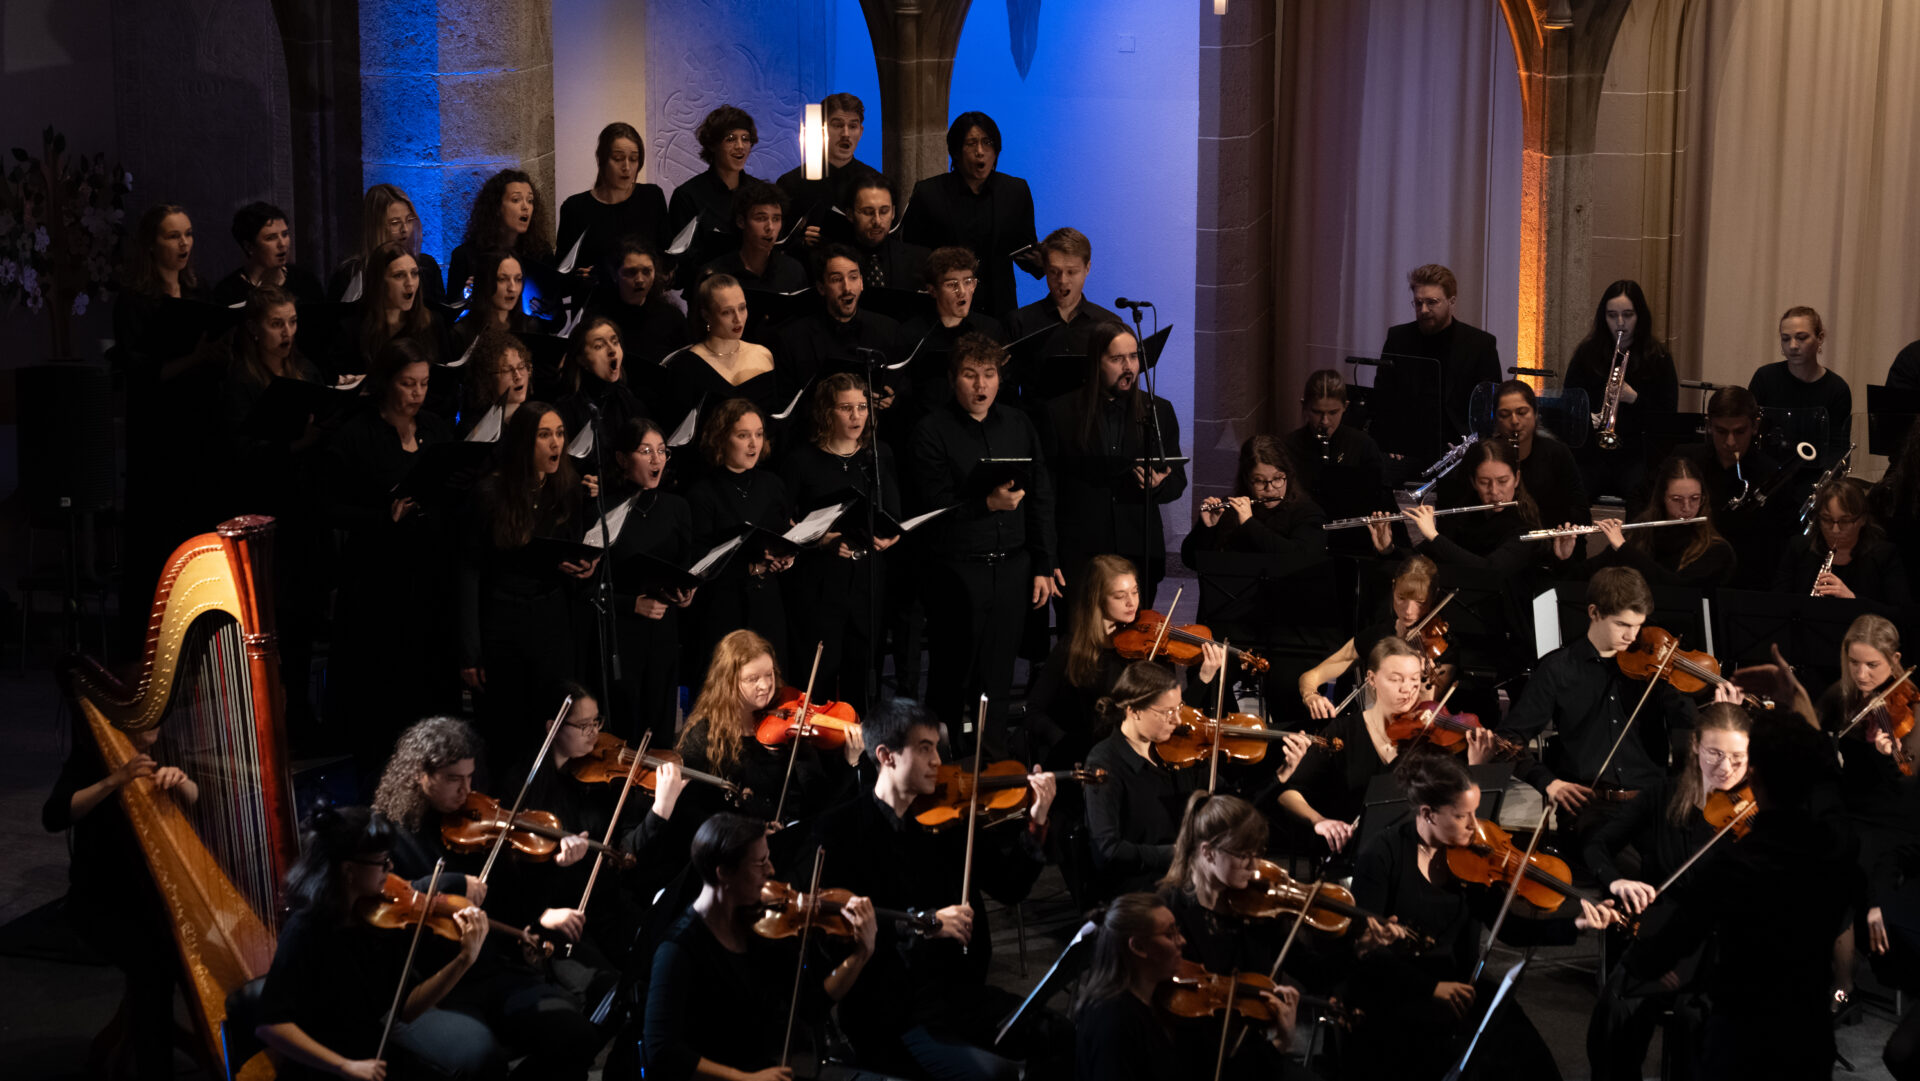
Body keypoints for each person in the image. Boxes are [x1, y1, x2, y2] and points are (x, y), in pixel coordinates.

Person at [811, 697, 1056, 1081]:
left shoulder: (953, 821)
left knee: (1057, 1033)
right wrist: (923, 924)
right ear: (886, 756)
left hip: (959, 996)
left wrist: (1036, 822)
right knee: (996, 1076)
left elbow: (1010, 887)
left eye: (937, 748)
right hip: (891, 1012)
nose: (939, 761)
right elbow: (837, 933)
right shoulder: (840, 831)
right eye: (925, 749)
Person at [1347, 751, 1616, 1081]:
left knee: (1533, 1062)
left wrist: (1577, 924)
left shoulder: (1473, 859)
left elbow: (1512, 930)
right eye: (1463, 817)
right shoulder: (1382, 854)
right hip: (1401, 990)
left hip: (1461, 987)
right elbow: (1368, 951)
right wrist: (1432, 987)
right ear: (1428, 814)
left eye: (1475, 814)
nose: (1476, 827)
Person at [369, 717, 606, 1081]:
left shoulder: (478, 825)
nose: (466, 791)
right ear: (419, 775)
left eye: (470, 778)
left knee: (577, 1035)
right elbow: (386, 899)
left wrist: (554, 869)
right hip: (433, 982)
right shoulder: (385, 833)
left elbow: (515, 907)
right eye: (453, 779)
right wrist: (451, 882)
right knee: (481, 1059)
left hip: (490, 970)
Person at [1622, 714, 1854, 1079]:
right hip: (1808, 1035)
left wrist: (1637, 954)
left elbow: (1666, 949)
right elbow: (1833, 800)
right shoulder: (1836, 853)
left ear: (1755, 777)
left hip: (1741, 1036)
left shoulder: (1733, 866)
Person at [255, 804, 504, 1081]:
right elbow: (271, 1026)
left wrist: (463, 961)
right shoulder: (306, 930)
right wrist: (343, 1066)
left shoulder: (379, 921)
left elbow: (405, 1010)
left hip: (370, 1054)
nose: (391, 867)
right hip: (326, 1068)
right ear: (349, 870)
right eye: (382, 861)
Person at [1496, 567, 1717, 856]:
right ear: (1594, 612)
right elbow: (1508, 739)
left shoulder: (1654, 668)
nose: (1632, 635)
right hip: (1589, 807)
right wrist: (1548, 782)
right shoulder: (1558, 669)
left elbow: (1689, 724)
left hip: (1652, 802)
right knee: (1622, 868)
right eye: (1622, 624)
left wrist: (1717, 708)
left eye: (1638, 625)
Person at [1583, 704, 1752, 1081]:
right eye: (1715, 754)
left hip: (1722, 943)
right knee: (1614, 1011)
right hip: (1662, 933)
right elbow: (1598, 846)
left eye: (1738, 758)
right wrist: (1615, 881)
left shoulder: (1757, 812)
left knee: (1696, 1018)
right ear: (1694, 746)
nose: (1726, 768)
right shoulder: (1663, 795)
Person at [910, 331, 1058, 756]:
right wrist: (986, 504)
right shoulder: (931, 430)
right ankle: (940, 767)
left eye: (989, 375)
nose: (980, 386)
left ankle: (992, 773)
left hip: (1013, 568)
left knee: (998, 678)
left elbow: (1041, 495)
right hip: (956, 571)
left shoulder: (1018, 423)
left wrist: (1044, 564)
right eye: (971, 375)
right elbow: (931, 508)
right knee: (950, 678)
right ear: (954, 378)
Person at [643, 813, 876, 1081]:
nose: (772, 871)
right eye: (761, 863)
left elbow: (812, 1005)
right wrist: (743, 1079)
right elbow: (662, 1052)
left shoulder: (758, 928)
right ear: (724, 873)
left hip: (761, 1070)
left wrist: (861, 955)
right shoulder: (677, 950)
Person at [321, 339, 461, 771]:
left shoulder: (436, 429)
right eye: (407, 384)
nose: (417, 393)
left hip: (429, 574)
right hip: (378, 580)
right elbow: (329, 506)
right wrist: (385, 516)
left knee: (428, 679)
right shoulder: (357, 433)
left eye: (424, 383)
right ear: (386, 383)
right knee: (384, 688)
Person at [43, 718, 198, 1080]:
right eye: (148, 717)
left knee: (174, 956)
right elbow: (54, 816)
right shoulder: (92, 754)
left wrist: (183, 782)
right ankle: (153, 1066)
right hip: (100, 902)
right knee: (154, 966)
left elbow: (200, 801)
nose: (156, 725)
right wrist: (116, 779)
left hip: (158, 901)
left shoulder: (167, 747)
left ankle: (153, 1037)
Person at [456, 402, 600, 772]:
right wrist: (471, 653)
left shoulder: (566, 489)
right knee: (508, 727)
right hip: (503, 620)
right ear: (524, 441)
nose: (556, 443)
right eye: (544, 434)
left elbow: (572, 550)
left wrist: (583, 568)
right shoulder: (490, 493)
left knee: (552, 719)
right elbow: (468, 572)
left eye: (560, 434)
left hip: (551, 619)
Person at [1279, 637, 1491, 856]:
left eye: (1414, 680)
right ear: (1372, 679)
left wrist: (1478, 766)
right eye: (1396, 679)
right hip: (1354, 854)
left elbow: (1457, 810)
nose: (1407, 689)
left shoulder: (1430, 738)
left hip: (1414, 854)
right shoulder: (1342, 732)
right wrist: (1320, 821)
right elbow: (1290, 792)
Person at [1025, 555, 1232, 772]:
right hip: (1091, 761)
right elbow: (1033, 711)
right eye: (1120, 596)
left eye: (1134, 592)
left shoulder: (1152, 648)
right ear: (1097, 599)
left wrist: (1204, 678)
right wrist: (1067, 745)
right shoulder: (1071, 648)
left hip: (1144, 764)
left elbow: (1175, 719)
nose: (1132, 602)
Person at [1073, 891, 1299, 1081]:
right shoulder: (1113, 1023)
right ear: (1139, 948)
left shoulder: (1157, 1000)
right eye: (1170, 934)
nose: (1182, 941)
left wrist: (1278, 1044)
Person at [779, 373, 901, 714]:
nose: (856, 416)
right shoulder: (802, 461)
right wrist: (821, 540)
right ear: (826, 413)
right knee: (814, 680)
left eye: (862, 407)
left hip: (867, 583)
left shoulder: (878, 456)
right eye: (846, 408)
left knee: (861, 679)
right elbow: (785, 525)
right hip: (818, 586)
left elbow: (893, 513)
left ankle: (856, 756)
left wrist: (890, 536)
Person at [1046, 322, 1187, 608]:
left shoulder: (1158, 410)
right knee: (1079, 641)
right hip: (1081, 550)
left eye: (1134, 357)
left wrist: (1158, 487)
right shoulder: (1060, 412)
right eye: (1117, 358)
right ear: (1096, 363)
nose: (1129, 366)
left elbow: (1178, 482)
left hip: (1138, 549)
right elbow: (1047, 489)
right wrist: (1048, 556)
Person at [673, 629, 860, 833]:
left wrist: (849, 762)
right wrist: (747, 834)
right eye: (752, 679)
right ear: (728, 683)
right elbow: (690, 811)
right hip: (734, 848)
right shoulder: (704, 735)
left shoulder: (789, 727)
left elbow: (819, 803)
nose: (765, 685)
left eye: (769, 674)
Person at [1816, 615, 1913, 1006]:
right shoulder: (1839, 697)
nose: (1861, 672)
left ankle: (1843, 986)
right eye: (1854, 662)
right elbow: (1809, 737)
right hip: (1847, 811)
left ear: (1894, 660)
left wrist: (1891, 758)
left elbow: (1909, 785)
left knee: (1840, 865)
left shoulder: (1911, 706)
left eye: (1872, 664)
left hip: (1896, 820)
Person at [682, 399, 795, 677]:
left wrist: (786, 558)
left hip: (768, 605)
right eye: (743, 435)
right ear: (722, 438)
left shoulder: (772, 484)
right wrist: (750, 567)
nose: (753, 444)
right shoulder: (702, 493)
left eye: (758, 434)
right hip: (724, 609)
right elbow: (700, 561)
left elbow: (784, 534)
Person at [602, 418, 694, 745]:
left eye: (662, 451)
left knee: (660, 727)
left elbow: (688, 565)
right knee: (625, 728)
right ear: (623, 459)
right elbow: (588, 587)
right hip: (622, 635)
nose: (657, 460)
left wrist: (687, 594)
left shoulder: (677, 507)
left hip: (664, 634)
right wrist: (632, 604)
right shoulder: (606, 507)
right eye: (645, 451)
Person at [1083, 662, 1208, 898]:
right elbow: (1108, 850)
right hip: (1138, 892)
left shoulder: (1178, 752)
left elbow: (1224, 802)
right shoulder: (1105, 762)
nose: (1178, 720)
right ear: (1134, 710)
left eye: (1178, 707)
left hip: (1184, 881)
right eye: (1167, 712)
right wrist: (1178, 853)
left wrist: (1278, 777)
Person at [904, 111, 1039, 319]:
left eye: (987, 142)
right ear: (956, 152)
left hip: (1000, 311)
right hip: (944, 312)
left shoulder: (1015, 191)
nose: (980, 151)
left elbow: (1024, 249)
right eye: (971, 143)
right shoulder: (928, 193)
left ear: (996, 150)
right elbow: (914, 260)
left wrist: (1045, 260)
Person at [1565, 279, 1679, 499]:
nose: (1620, 323)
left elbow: (1667, 415)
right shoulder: (1586, 355)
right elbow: (1570, 402)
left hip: (1636, 455)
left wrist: (1635, 398)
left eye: (1627, 315)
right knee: (1573, 492)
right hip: (1592, 455)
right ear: (1603, 317)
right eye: (1612, 315)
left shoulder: (1658, 358)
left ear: (1639, 317)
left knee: (1641, 493)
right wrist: (1587, 416)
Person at [1675, 384, 1797, 590]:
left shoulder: (1772, 476)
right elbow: (1646, 501)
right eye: (1721, 431)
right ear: (1709, 425)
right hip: (1689, 572)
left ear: (1755, 426)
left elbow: (1785, 542)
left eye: (1739, 432)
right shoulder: (1685, 461)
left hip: (1747, 581)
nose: (1730, 442)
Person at [1374, 263, 1501, 452]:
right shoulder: (1398, 338)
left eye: (1432, 302)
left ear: (1451, 301)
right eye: (1418, 303)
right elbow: (1383, 397)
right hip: (1406, 446)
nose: (1423, 309)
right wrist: (1389, 443)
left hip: (1460, 448)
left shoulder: (1480, 344)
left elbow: (1490, 405)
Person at [1375, 437, 1540, 576]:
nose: (1494, 491)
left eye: (1503, 481)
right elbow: (1427, 560)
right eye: (1484, 482)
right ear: (1473, 482)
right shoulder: (1463, 511)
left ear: (1516, 479)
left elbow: (1490, 571)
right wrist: (1389, 550)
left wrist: (1434, 536)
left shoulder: (1525, 525)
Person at [1005, 227, 1123, 406]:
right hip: (1037, 428)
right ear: (1044, 268)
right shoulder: (1019, 321)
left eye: (1072, 272)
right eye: (1054, 271)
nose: (1062, 280)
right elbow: (1009, 389)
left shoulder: (1109, 323)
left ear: (1087, 268)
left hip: (1092, 425)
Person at [663, 273, 789, 432]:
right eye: (727, 312)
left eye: (742, 308)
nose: (738, 319)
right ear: (706, 315)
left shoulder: (763, 354)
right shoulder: (686, 367)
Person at [897, 246, 1007, 427]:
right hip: (929, 427)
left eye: (968, 281)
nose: (962, 291)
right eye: (951, 284)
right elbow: (904, 395)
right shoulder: (911, 334)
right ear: (932, 290)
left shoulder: (990, 329)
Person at [1588, 454, 1736, 589]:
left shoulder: (1716, 550)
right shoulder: (1641, 535)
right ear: (1662, 498)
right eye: (1677, 499)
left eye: (1695, 498)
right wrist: (1565, 556)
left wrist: (1624, 549)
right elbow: (1586, 575)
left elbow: (1674, 589)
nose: (1687, 508)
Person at [772, 243, 901, 396]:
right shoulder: (793, 339)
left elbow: (901, 387)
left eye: (853, 277)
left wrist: (890, 397)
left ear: (861, 283)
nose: (847, 288)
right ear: (821, 287)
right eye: (836, 279)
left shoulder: (888, 330)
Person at [1283, 369, 1393, 541]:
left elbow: (1381, 497)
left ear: (1345, 407)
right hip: (1300, 535)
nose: (1325, 421)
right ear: (1304, 406)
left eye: (1333, 413)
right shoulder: (1288, 446)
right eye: (1317, 412)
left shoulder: (1363, 445)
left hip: (1351, 536)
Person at [1184, 435, 1327, 567]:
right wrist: (1206, 528)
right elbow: (1191, 561)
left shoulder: (1307, 513)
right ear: (1247, 480)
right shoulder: (1230, 510)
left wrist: (1249, 524)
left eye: (1277, 479)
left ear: (1288, 476)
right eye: (1259, 481)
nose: (1270, 489)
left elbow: (1300, 560)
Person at [211, 202, 327, 359]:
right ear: (249, 246)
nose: (282, 244)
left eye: (285, 234)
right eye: (271, 238)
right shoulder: (228, 292)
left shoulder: (306, 283)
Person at [665, 105, 766, 283]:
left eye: (745, 139)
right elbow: (681, 261)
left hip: (754, 289)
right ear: (713, 145)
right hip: (707, 294)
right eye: (730, 139)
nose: (740, 146)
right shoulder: (688, 195)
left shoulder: (759, 192)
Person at [1480, 378, 1591, 540]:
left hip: (1550, 545)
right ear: (1496, 419)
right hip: (1500, 548)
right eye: (1505, 415)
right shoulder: (1485, 455)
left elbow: (1581, 514)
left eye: (1522, 412)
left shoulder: (1557, 453)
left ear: (1536, 413)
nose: (1515, 421)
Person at [556, 121, 667, 281]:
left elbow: (664, 256)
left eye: (634, 159)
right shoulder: (575, 208)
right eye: (618, 158)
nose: (627, 167)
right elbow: (564, 272)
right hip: (595, 301)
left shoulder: (651, 197)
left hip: (644, 300)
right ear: (602, 160)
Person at [1778, 477, 1911, 604]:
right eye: (1827, 519)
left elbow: (1901, 615)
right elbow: (1778, 603)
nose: (1835, 530)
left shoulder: (1884, 556)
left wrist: (1852, 599)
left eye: (1845, 521)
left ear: (1862, 519)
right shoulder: (1798, 548)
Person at [774, 92, 882, 248]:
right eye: (838, 125)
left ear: (861, 132)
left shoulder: (874, 182)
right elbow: (777, 241)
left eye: (852, 126)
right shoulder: (791, 183)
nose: (846, 134)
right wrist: (802, 241)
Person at [1750, 304, 1852, 456]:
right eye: (1785, 339)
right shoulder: (1765, 378)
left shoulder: (1837, 389)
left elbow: (1837, 449)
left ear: (1820, 338)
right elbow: (1749, 433)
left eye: (1801, 337)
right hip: (1767, 472)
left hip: (1817, 475)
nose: (1792, 346)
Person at [329, 183, 447, 309]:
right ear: (375, 228)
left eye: (409, 220)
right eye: (395, 223)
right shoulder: (350, 274)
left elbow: (442, 316)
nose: (405, 229)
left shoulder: (426, 267)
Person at [337, 241, 448, 375]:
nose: (410, 284)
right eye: (399, 275)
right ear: (379, 282)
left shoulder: (432, 323)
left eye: (414, 273)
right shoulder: (352, 331)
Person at [447, 169, 554, 304]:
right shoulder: (465, 255)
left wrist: (545, 311)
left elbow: (558, 318)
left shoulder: (540, 252)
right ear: (496, 207)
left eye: (530, 200)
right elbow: (450, 315)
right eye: (516, 200)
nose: (526, 207)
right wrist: (466, 294)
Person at [588, 236, 688, 373]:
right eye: (631, 272)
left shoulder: (672, 317)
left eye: (647, 271)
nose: (640, 280)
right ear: (614, 275)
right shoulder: (598, 318)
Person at [553, 313, 648, 450]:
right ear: (581, 360)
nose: (612, 350)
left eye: (615, 342)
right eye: (599, 346)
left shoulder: (632, 405)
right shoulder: (565, 409)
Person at [701, 178, 808, 295]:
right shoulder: (716, 273)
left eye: (776, 219)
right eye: (761, 218)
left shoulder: (793, 270)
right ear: (741, 221)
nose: (770, 227)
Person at [448, 249, 546, 366]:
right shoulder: (461, 333)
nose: (512, 288)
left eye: (518, 279)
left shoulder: (530, 326)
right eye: (502, 279)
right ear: (485, 282)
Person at [843, 172, 929, 292]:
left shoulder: (919, 260)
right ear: (850, 214)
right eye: (868, 212)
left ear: (893, 212)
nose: (877, 221)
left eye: (884, 211)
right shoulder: (835, 261)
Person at [457, 327, 533, 437]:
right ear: (487, 379)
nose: (518, 376)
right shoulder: (475, 429)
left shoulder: (535, 418)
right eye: (506, 370)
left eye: (521, 366)